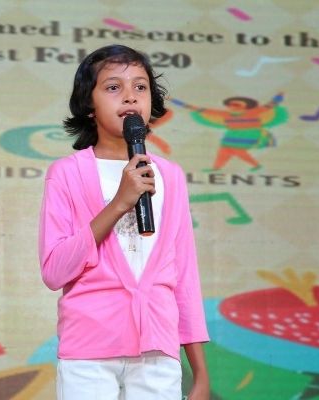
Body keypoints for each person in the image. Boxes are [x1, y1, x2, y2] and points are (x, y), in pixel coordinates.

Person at [38, 44, 210, 399]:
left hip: (158, 348)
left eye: (140, 87)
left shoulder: (171, 176)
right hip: (89, 349)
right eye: (114, 87)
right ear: (89, 104)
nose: (130, 97)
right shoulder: (67, 173)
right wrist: (119, 203)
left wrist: (201, 374)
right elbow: (54, 270)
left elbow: (185, 278)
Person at [170, 93, 286, 172]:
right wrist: (173, 100)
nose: (233, 106)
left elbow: (270, 105)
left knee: (238, 150)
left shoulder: (253, 112)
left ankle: (256, 165)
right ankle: (216, 168)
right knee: (224, 150)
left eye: (236, 104)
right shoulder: (226, 114)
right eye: (231, 105)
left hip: (249, 134)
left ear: (244, 106)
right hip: (232, 135)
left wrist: (279, 95)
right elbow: (197, 109)